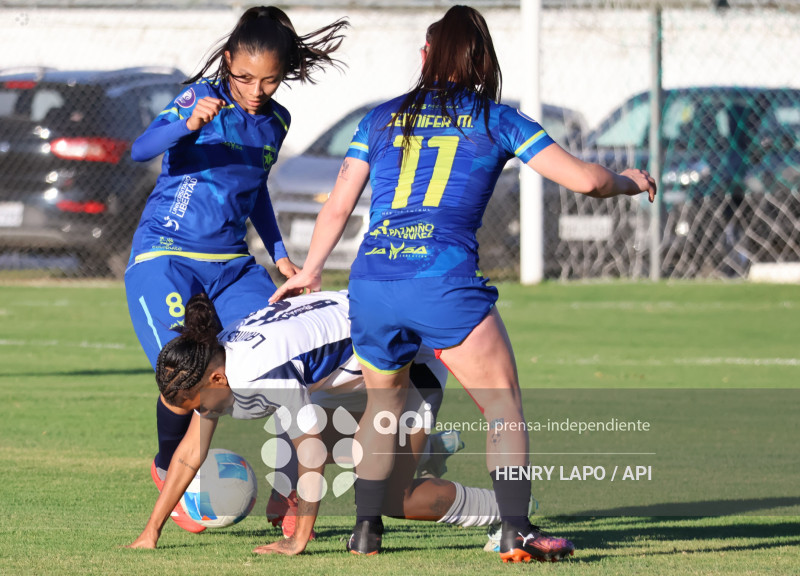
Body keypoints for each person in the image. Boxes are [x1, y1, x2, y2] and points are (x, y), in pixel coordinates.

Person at [269, 5, 657, 563]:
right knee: (504, 407)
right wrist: (627, 181)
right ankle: (516, 531)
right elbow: (587, 180)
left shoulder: (378, 118)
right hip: (440, 280)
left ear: (426, 56)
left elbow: (336, 206)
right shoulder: (497, 119)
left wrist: (310, 270)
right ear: (481, 61)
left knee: (384, 404)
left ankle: (365, 530)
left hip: (373, 280)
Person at [123, 7, 348, 533]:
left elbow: (255, 191)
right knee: (183, 369)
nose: (255, 90)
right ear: (228, 62)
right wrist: (187, 123)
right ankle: (166, 466)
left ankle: (289, 490)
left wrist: (278, 252)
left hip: (232, 264)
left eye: (269, 80)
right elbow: (139, 150)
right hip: (166, 255)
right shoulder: (199, 98)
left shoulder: (276, 121)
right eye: (245, 77)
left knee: (280, 363)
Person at [126, 292, 502, 556]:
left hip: (408, 361)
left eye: (198, 405)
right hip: (362, 366)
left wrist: (298, 539)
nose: (203, 413)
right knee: (294, 437)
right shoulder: (214, 355)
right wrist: (151, 531)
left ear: (217, 381)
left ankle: (504, 510)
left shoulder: (260, 373)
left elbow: (313, 452)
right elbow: (190, 453)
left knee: (391, 498)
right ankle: (425, 447)